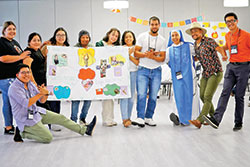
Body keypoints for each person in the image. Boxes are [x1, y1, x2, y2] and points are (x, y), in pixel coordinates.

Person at [9, 64, 96, 143]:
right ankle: (21, 133)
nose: (26, 75)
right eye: (23, 73)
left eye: (28, 72)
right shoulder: (14, 88)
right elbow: (26, 103)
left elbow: (41, 101)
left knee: (61, 118)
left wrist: (45, 93)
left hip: (35, 112)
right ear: (17, 75)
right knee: (48, 138)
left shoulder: (30, 84)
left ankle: (85, 130)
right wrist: (40, 93)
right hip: (25, 119)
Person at [203, 12, 250, 131]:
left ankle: (238, 122)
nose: (230, 23)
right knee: (225, 92)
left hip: (244, 67)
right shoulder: (227, 35)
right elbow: (227, 47)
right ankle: (216, 119)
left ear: (237, 21)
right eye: (228, 22)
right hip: (231, 67)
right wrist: (219, 50)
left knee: (239, 96)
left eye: (232, 21)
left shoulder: (246, 35)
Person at [186, 22, 227, 129]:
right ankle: (213, 118)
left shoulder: (209, 41)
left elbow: (219, 48)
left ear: (201, 31)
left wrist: (223, 55)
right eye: (192, 32)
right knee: (202, 96)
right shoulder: (195, 45)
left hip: (215, 72)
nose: (193, 33)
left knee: (207, 97)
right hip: (205, 73)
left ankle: (199, 120)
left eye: (195, 31)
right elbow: (198, 58)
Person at [132, 16, 166, 127]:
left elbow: (162, 58)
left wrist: (153, 57)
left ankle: (148, 117)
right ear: (149, 25)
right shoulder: (142, 36)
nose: (154, 26)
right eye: (152, 24)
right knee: (141, 94)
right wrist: (146, 55)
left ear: (159, 25)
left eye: (156, 24)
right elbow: (136, 53)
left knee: (153, 96)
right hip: (143, 70)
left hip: (156, 71)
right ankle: (140, 117)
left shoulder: (162, 40)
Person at [0, 21, 30, 134]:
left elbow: (22, 56)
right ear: (4, 31)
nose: (12, 31)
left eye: (14, 29)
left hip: (16, 77)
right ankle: (8, 127)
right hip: (6, 78)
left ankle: (18, 125)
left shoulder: (14, 42)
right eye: (9, 29)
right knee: (8, 101)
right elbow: (3, 58)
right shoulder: (1, 42)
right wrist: (20, 57)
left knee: (16, 102)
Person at [166, 30, 199, 126]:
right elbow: (165, 60)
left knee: (191, 94)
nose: (175, 37)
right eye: (172, 35)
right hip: (177, 76)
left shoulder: (188, 46)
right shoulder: (169, 50)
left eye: (176, 35)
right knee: (178, 95)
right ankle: (178, 116)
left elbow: (197, 54)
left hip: (190, 75)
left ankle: (192, 117)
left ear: (180, 36)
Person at [41, 27, 70, 131]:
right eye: (58, 35)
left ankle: (56, 120)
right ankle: (51, 123)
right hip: (49, 77)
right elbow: (39, 56)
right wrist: (42, 46)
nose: (61, 37)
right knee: (51, 100)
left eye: (63, 35)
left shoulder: (67, 48)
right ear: (55, 36)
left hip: (61, 78)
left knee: (57, 99)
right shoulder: (49, 46)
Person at [95, 28, 121, 127]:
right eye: (113, 34)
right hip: (102, 72)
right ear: (108, 34)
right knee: (106, 95)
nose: (114, 37)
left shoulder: (117, 47)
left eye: (116, 36)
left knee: (111, 96)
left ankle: (110, 118)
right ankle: (107, 119)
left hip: (112, 73)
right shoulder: (100, 44)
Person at [23, 32, 51, 111]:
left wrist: (43, 44)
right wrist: (34, 84)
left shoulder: (37, 50)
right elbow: (27, 70)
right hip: (34, 84)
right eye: (34, 40)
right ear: (29, 42)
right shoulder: (28, 52)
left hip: (41, 82)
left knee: (43, 106)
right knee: (37, 107)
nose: (37, 42)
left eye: (39, 40)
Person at [71, 30, 92, 124]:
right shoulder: (74, 48)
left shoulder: (92, 48)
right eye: (83, 37)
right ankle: (73, 119)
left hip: (89, 76)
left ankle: (82, 118)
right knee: (76, 99)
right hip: (77, 77)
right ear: (79, 38)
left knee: (88, 98)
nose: (85, 39)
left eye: (87, 37)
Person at [119, 30, 138, 127]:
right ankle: (124, 118)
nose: (128, 39)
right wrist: (126, 53)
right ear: (123, 39)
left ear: (133, 38)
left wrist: (129, 55)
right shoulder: (121, 48)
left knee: (131, 97)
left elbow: (137, 62)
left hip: (134, 73)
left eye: (130, 36)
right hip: (123, 74)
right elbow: (118, 61)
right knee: (124, 97)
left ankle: (129, 117)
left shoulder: (136, 48)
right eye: (126, 37)